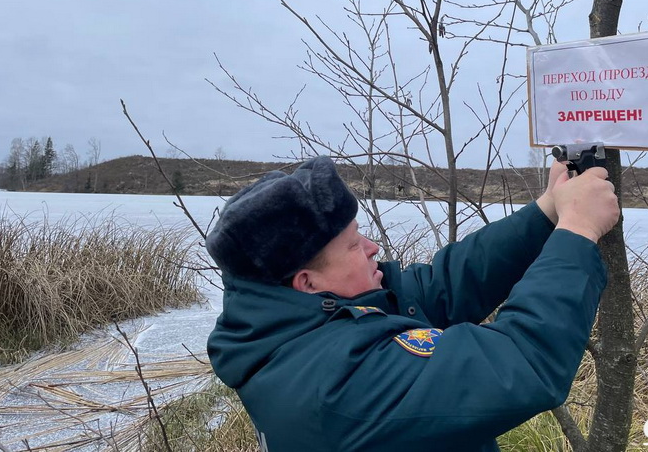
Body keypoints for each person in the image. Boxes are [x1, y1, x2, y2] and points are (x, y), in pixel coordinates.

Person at [205, 155, 619, 452]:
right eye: (353, 245)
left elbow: (440, 287)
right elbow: (520, 360)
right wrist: (577, 231)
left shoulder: (295, 329)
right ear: (307, 281)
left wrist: (547, 211)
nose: (372, 247)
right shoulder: (336, 387)